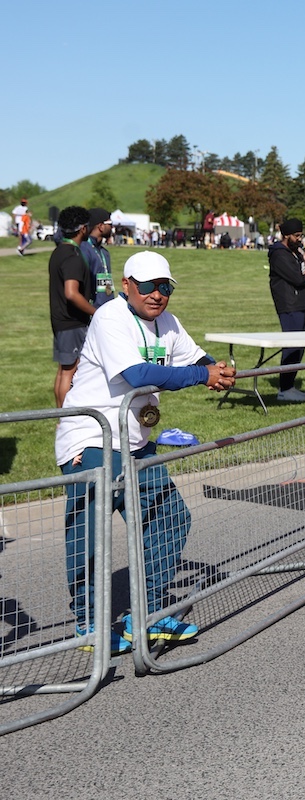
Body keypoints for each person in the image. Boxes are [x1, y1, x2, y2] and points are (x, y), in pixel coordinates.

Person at [56, 251, 236, 654]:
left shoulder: (167, 322)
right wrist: (201, 375)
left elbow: (195, 356)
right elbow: (137, 374)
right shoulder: (110, 317)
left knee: (170, 518)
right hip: (92, 438)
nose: (158, 294)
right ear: (127, 286)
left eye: (165, 287)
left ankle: (148, 614)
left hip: (135, 442)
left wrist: (216, 370)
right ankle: (89, 625)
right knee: (91, 535)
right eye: (149, 286)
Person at [48, 206, 98, 407]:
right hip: (72, 322)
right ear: (83, 228)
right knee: (71, 371)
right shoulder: (72, 256)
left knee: (64, 370)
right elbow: (71, 293)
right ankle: (66, 418)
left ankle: (60, 416)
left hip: (61, 320)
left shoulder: (58, 251)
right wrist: (96, 312)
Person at [268, 218, 305, 402]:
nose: (299, 239)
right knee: (292, 345)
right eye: (296, 236)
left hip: (301, 302)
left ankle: (289, 385)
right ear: (286, 235)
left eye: (301, 235)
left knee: (299, 346)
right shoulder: (279, 254)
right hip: (289, 304)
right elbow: (297, 279)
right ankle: (284, 388)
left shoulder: (297, 252)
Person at [80, 208, 115, 308]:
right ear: (101, 226)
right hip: (92, 310)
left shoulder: (105, 252)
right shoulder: (84, 249)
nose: (112, 227)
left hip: (108, 308)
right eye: (110, 224)